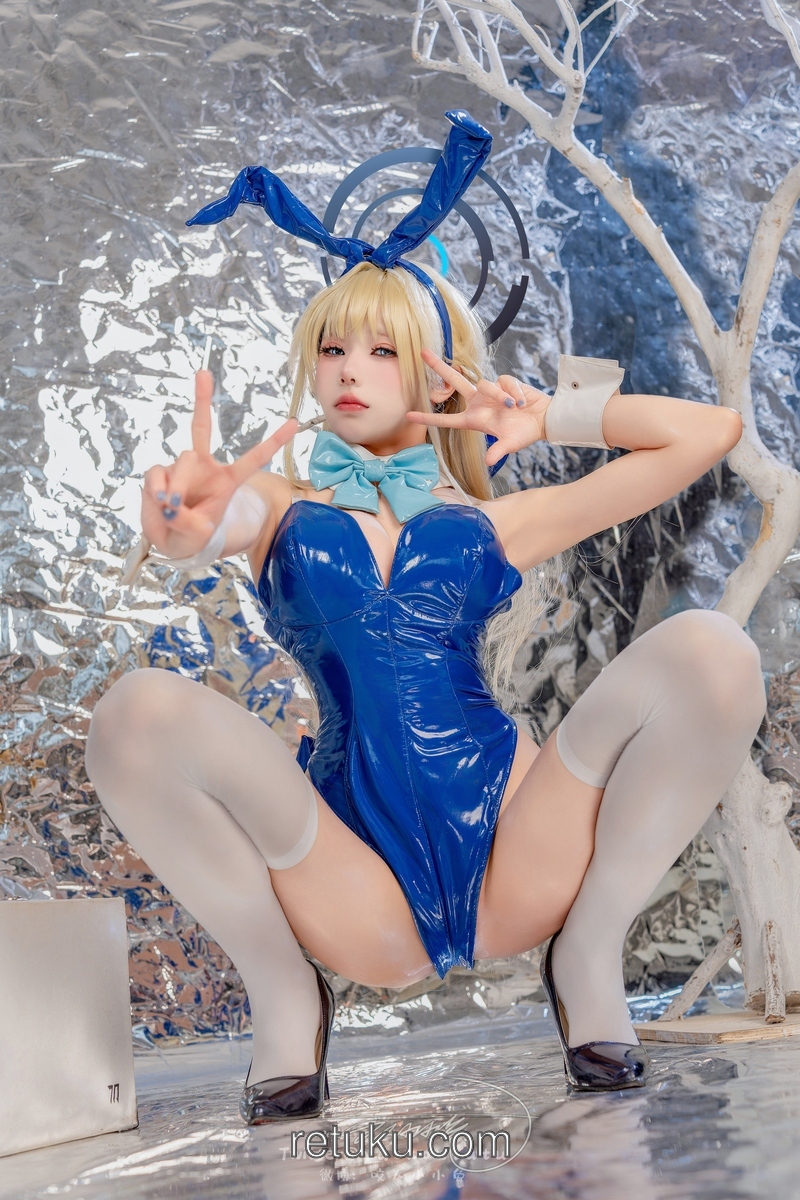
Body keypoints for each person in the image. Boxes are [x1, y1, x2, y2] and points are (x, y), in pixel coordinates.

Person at [85, 113, 766, 1120]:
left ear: (427, 367)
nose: (347, 370)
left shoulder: (492, 522)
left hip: (515, 850)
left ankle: (586, 951)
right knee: (133, 714)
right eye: (330, 348)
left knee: (713, 651)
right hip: (351, 879)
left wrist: (552, 416)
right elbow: (208, 523)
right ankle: (284, 992)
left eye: (379, 349)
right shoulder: (277, 505)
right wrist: (181, 520)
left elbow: (708, 434)